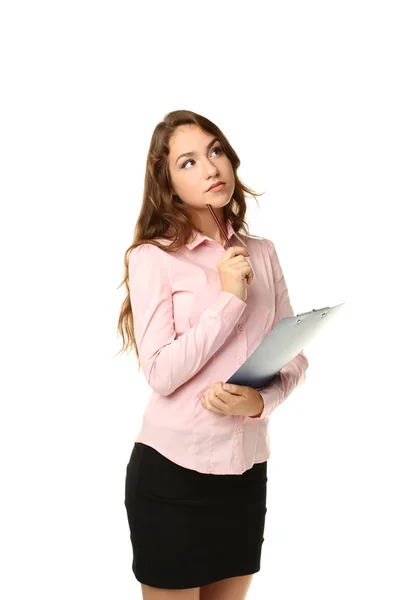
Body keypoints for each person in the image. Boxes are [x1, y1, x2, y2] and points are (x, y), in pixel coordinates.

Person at [117, 110, 309, 600]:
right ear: (168, 184)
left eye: (215, 150)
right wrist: (230, 299)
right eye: (188, 162)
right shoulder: (153, 258)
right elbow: (160, 373)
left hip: (245, 473)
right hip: (171, 474)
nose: (210, 168)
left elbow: (294, 356)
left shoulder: (262, 252)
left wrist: (258, 403)